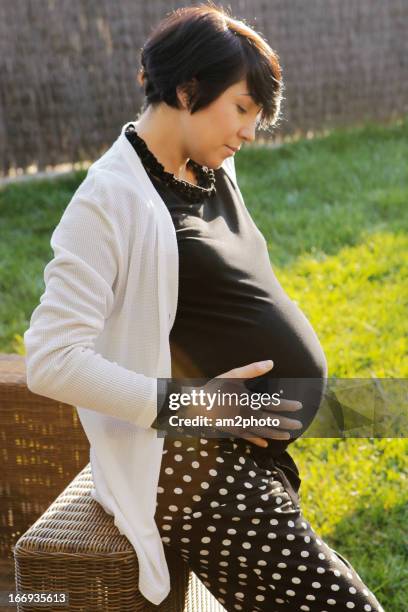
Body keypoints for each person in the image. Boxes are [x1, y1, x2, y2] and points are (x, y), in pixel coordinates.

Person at [24, 3, 384, 610]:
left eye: (257, 117)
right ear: (188, 90)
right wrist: (193, 404)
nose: (249, 132)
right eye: (242, 109)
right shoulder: (107, 199)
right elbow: (51, 358)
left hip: (246, 453)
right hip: (189, 465)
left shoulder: (211, 168)